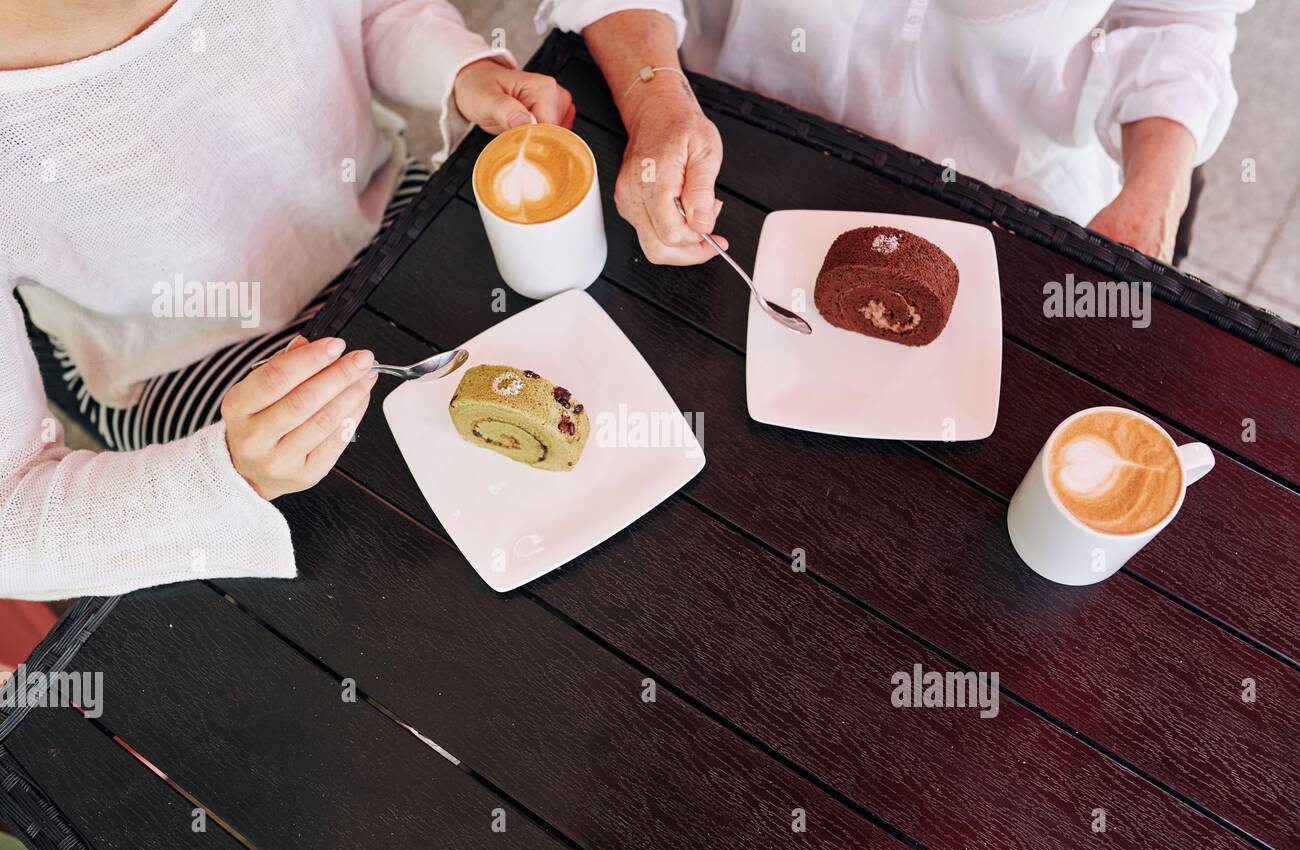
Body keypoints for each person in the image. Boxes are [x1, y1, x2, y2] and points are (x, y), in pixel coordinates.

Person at [0, 0, 575, 599]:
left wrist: (462, 71)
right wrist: (227, 473)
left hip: (374, 213)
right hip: (180, 361)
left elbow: (367, 15)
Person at [536, 0, 1251, 266]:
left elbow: (1177, 15)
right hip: (724, 136)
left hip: (1006, 189)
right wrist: (654, 97)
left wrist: (1155, 187)